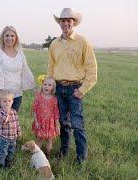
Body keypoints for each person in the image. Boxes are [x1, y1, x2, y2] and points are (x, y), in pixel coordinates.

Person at [48, 8, 98, 164]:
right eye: (63, 21)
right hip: (58, 88)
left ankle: (81, 159)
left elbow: (92, 69)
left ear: (73, 23)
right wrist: (50, 86)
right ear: (60, 23)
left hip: (75, 89)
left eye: (69, 21)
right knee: (63, 122)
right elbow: (51, 67)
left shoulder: (83, 42)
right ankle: (63, 152)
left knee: (77, 124)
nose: (66, 23)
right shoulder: (54, 44)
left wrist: (82, 90)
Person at [0, 26, 35, 151]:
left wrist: (35, 88)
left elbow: (25, 71)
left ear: (16, 38)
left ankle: (9, 148)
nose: (9, 38)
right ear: (3, 37)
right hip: (0, 95)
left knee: (11, 123)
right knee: (0, 123)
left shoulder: (20, 54)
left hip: (16, 96)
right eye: (7, 35)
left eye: (12, 36)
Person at [31, 76, 60, 157]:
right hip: (40, 122)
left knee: (49, 139)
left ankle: (48, 154)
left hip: (50, 123)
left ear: (53, 87)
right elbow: (34, 110)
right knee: (39, 138)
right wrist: (36, 121)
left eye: (49, 85)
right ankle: (36, 154)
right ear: (42, 85)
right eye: (45, 84)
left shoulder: (54, 99)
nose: (47, 86)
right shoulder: (38, 97)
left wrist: (57, 125)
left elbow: (56, 113)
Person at [0, 90, 21, 168]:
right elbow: (3, 121)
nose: (7, 103)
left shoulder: (14, 111)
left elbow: (16, 122)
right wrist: (7, 112)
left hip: (13, 137)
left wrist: (19, 131)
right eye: (4, 101)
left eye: (9, 101)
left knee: (11, 151)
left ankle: (8, 162)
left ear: (12, 101)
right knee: (3, 152)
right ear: (0, 103)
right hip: (4, 137)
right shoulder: (0, 112)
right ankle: (1, 164)